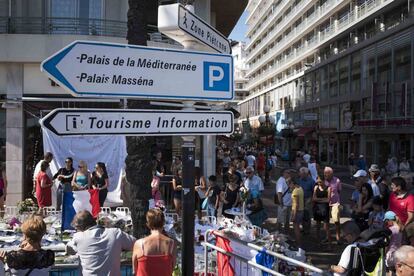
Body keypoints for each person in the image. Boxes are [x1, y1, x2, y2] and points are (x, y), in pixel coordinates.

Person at [66, 210, 136, 275]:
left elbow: (69, 250)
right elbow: (136, 244)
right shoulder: (115, 233)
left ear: (81, 227)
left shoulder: (78, 237)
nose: (75, 229)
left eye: (76, 227)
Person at [132, 209, 177, 276]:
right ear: (163, 223)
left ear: (147, 224)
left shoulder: (139, 244)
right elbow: (172, 268)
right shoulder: (171, 244)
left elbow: (134, 271)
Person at [324, 167, 342, 243]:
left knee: (336, 221)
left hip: (335, 203)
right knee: (326, 221)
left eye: (327, 174)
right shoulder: (323, 181)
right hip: (325, 203)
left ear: (331, 174)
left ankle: (338, 238)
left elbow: (339, 191)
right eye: (325, 174)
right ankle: (327, 237)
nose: (325, 175)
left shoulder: (337, 181)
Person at [312, 177, 331, 245]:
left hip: (325, 209)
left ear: (324, 181)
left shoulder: (328, 188)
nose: (319, 183)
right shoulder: (316, 187)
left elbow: (328, 200)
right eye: (318, 182)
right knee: (317, 226)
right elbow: (313, 198)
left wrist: (318, 199)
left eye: (320, 182)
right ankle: (318, 241)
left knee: (326, 227)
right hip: (317, 209)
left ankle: (329, 244)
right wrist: (323, 199)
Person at [298, 167, 315, 234]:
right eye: (300, 174)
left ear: (306, 174)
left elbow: (314, 191)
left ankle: (307, 229)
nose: (300, 175)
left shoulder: (311, 181)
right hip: (300, 199)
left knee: (307, 215)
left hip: (308, 199)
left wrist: (311, 199)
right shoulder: (299, 180)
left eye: (302, 174)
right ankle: (303, 228)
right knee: (302, 214)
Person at [289, 177, 304, 248]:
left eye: (290, 184)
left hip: (297, 212)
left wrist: (294, 215)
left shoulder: (295, 191)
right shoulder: (300, 188)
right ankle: (299, 242)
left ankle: (298, 244)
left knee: (296, 229)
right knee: (297, 227)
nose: (289, 186)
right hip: (301, 210)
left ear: (293, 183)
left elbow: (296, 204)